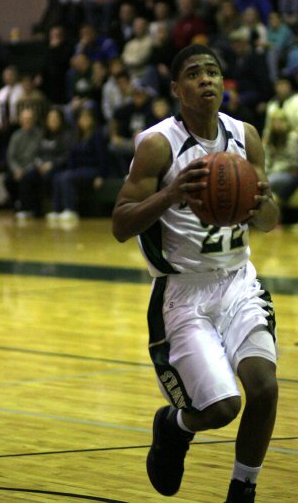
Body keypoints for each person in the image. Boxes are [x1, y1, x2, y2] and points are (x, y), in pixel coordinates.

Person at [112, 43, 279, 503]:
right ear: (175, 88)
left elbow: (268, 221)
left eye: (213, 71)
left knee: (263, 388)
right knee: (224, 407)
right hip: (182, 295)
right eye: (193, 74)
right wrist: (169, 196)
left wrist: (262, 200)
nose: (205, 79)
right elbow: (120, 225)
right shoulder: (157, 145)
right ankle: (174, 425)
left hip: (239, 282)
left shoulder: (246, 135)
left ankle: (242, 489)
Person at [49, 107, 107, 222]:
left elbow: (103, 157)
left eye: (87, 118)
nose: (84, 121)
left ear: (92, 120)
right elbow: (72, 157)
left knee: (67, 178)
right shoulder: (76, 137)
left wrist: (101, 176)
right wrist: (69, 169)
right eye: (82, 118)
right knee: (58, 177)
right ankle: (57, 210)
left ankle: (70, 210)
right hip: (78, 169)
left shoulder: (97, 136)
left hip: (92, 170)